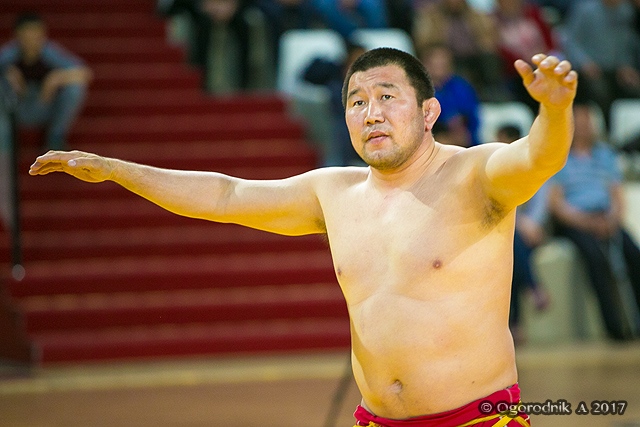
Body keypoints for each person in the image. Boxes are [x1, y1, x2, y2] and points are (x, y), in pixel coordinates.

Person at [30, 49, 578, 426]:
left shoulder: (476, 175)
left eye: (387, 96)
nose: (371, 113)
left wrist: (555, 109)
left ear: (429, 111)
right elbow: (225, 195)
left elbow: (539, 156)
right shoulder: (333, 192)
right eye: (357, 102)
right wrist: (116, 170)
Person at [548, 103, 640, 341]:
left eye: (587, 121)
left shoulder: (605, 154)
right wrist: (587, 223)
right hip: (575, 222)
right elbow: (556, 203)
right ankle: (615, 328)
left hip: (606, 217)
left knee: (634, 254)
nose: (584, 127)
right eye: (578, 122)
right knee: (596, 259)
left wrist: (612, 219)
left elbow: (617, 194)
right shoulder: (559, 157)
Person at [0, 12, 91, 150]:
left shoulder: (50, 52)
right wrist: (9, 79)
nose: (31, 40)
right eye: (27, 34)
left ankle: (55, 137)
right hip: (16, 108)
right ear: (17, 35)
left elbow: (84, 73)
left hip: (44, 105)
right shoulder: (8, 55)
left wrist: (55, 78)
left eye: (36, 34)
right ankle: (4, 147)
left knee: (75, 88)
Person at [495, 124, 550, 344]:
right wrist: (521, 224)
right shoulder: (491, 169)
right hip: (508, 233)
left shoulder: (533, 167)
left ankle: (514, 323)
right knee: (513, 247)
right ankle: (533, 287)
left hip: (534, 232)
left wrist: (533, 224)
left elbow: (542, 204)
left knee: (512, 248)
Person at [561, 0, 640, 129]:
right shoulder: (584, 9)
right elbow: (571, 41)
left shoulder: (626, 11)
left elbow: (627, 42)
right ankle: (606, 132)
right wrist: (584, 63)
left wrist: (626, 64)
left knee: (635, 89)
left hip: (617, 69)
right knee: (600, 92)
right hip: (591, 69)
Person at [413, 0, 507, 102]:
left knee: (489, 57)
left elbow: (490, 37)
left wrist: (483, 43)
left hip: (474, 56)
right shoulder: (432, 16)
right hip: (451, 56)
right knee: (453, 67)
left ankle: (494, 90)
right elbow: (423, 42)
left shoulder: (476, 15)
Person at [493, 0, 559, 113]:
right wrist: (526, 62)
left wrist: (544, 57)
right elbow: (500, 52)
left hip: (543, 62)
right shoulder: (493, 21)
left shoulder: (533, 13)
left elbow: (549, 40)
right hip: (516, 73)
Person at [421, 43, 481, 147]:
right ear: (425, 64)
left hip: (464, 140)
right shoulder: (418, 89)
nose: (440, 68)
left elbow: (472, 116)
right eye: (436, 64)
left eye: (443, 64)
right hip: (432, 138)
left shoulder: (461, 86)